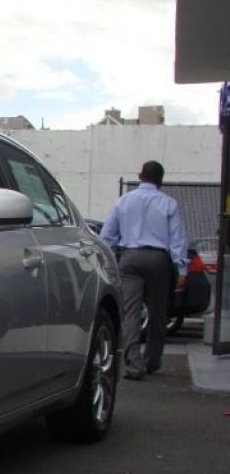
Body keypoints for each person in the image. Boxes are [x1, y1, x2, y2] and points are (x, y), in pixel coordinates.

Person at [100, 161, 188, 379]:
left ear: (140, 175)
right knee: (158, 313)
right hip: (159, 260)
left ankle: (133, 365)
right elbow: (178, 238)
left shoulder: (124, 201)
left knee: (130, 312)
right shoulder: (169, 203)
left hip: (130, 259)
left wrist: (108, 261)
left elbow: (107, 236)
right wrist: (182, 270)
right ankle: (152, 361)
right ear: (161, 179)